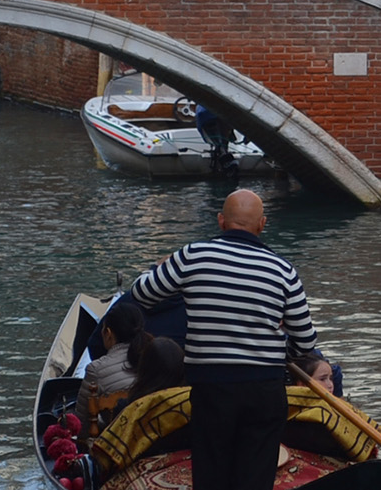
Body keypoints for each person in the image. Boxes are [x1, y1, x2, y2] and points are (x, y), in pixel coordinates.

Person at [130, 189, 318, 490]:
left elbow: (142, 293)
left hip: (212, 389)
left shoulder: (193, 255)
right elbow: (304, 342)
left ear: (221, 221)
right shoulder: (284, 270)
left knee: (212, 476)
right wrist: (279, 349)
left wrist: (168, 271)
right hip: (264, 391)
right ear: (262, 224)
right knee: (255, 479)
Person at [75, 298, 152, 431]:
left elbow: (82, 425)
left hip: (115, 444)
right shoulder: (156, 359)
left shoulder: (96, 370)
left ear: (108, 333)